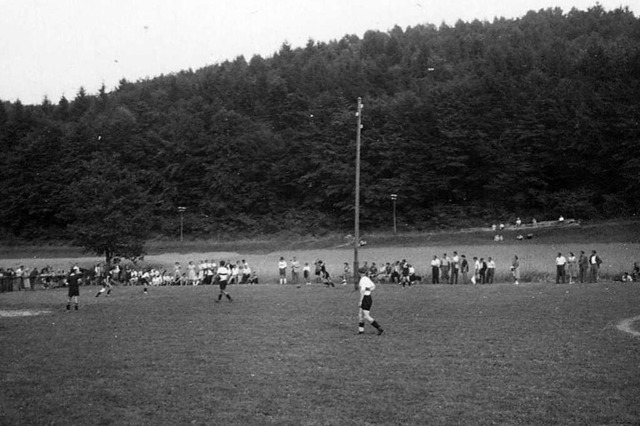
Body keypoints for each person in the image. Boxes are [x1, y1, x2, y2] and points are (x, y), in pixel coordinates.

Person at [357, 269, 384, 335]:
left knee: (366, 316)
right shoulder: (367, 278)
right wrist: (369, 289)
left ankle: (379, 328)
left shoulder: (362, 280)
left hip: (365, 298)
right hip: (368, 297)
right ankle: (361, 331)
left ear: (360, 273)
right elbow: (373, 286)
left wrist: (360, 301)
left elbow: (363, 290)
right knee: (360, 315)